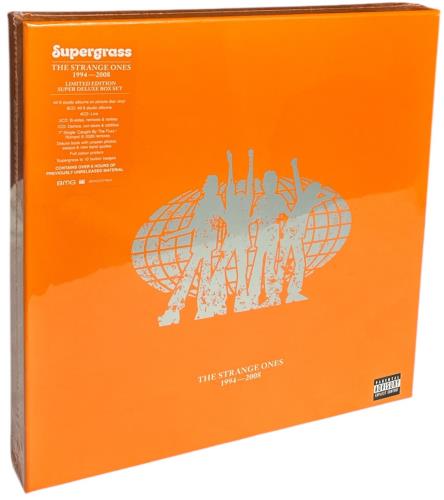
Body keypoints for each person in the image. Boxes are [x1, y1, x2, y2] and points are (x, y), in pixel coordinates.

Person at [158, 175, 225, 326]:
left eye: (206, 183)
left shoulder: (215, 202)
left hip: (207, 246)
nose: (203, 185)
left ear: (211, 186)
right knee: (193, 277)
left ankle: (196, 310)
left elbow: (222, 223)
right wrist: (170, 236)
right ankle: (180, 310)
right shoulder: (204, 202)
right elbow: (193, 226)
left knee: (199, 278)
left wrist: (220, 246)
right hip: (201, 246)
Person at [281, 158, 334, 303]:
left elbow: (297, 181)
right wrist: (321, 190)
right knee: (294, 262)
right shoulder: (310, 199)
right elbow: (329, 195)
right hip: (293, 233)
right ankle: (287, 291)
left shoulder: (303, 197)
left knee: (291, 262)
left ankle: (288, 292)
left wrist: (294, 166)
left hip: (292, 233)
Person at [218, 149, 255, 312]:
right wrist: (230, 162)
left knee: (242, 270)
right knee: (221, 267)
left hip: (242, 241)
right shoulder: (232, 201)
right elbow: (230, 181)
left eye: (242, 188)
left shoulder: (246, 202)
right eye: (237, 188)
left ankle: (241, 298)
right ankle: (218, 297)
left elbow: (250, 181)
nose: (240, 189)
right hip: (230, 240)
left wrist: (251, 160)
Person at [249, 169, 289, 308]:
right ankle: (255, 295)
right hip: (262, 238)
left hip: (273, 237)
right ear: (263, 184)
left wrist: (282, 228)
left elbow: (288, 215)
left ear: (275, 184)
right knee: (258, 265)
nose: (269, 185)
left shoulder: (279, 199)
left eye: (272, 182)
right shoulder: (261, 200)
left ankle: (270, 295)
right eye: (266, 182)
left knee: (270, 266)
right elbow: (253, 218)